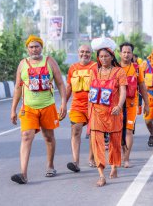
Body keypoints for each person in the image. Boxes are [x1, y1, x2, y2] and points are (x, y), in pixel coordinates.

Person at [10, 35, 67, 184]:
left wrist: (63, 104)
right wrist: (13, 109)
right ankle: (23, 173)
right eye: (31, 47)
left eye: (37, 46)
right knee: (26, 136)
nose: (34, 49)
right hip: (28, 108)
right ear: (27, 49)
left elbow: (61, 83)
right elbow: (17, 87)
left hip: (47, 106)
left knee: (48, 137)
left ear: (41, 47)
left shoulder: (50, 62)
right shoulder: (23, 64)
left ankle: (50, 165)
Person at [89, 38, 127, 187]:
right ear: (98, 58)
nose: (103, 59)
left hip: (114, 112)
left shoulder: (119, 72)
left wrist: (119, 105)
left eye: (106, 56)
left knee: (115, 141)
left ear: (112, 57)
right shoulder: (94, 71)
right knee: (96, 142)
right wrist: (89, 110)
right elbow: (90, 92)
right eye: (101, 56)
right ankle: (101, 175)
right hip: (97, 112)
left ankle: (114, 166)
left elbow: (123, 91)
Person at [66, 45, 97, 172]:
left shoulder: (96, 66)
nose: (85, 54)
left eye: (87, 52)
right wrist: (63, 104)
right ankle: (76, 162)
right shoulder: (72, 68)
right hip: (77, 106)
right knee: (76, 130)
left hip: (94, 106)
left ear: (91, 54)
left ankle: (91, 158)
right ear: (78, 53)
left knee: (93, 133)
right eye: (82, 52)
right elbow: (68, 87)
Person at [119, 42, 149, 168]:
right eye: (124, 52)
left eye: (129, 52)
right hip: (118, 105)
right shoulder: (115, 67)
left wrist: (147, 104)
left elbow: (142, 86)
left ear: (132, 54)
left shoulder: (137, 68)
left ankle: (126, 158)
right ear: (120, 54)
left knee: (129, 131)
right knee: (118, 132)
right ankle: (121, 153)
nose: (126, 54)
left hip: (131, 104)